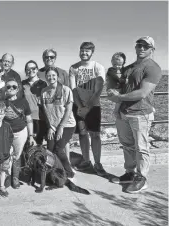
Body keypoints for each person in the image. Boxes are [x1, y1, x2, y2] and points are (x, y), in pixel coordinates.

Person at [108, 36, 162, 193]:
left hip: (141, 113)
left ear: (152, 49)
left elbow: (142, 93)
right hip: (124, 112)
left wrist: (118, 97)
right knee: (127, 145)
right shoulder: (129, 67)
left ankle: (142, 178)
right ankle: (130, 173)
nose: (142, 48)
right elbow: (123, 87)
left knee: (141, 147)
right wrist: (115, 100)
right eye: (139, 45)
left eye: (146, 46)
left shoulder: (153, 68)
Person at [69, 41, 107, 176]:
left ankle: (98, 163)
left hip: (94, 107)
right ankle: (86, 160)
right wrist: (80, 106)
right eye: (82, 50)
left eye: (87, 51)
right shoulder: (73, 68)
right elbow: (73, 89)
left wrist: (88, 107)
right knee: (83, 134)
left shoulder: (98, 67)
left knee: (95, 135)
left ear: (92, 52)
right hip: (79, 106)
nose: (84, 53)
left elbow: (98, 90)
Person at [40, 67, 76, 179]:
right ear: (46, 77)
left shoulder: (66, 90)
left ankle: (69, 172)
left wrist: (61, 127)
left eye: (53, 75)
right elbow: (46, 112)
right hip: (53, 126)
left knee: (59, 149)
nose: (51, 78)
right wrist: (50, 127)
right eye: (49, 76)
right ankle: (54, 172)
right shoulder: (44, 92)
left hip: (67, 125)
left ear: (58, 76)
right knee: (50, 150)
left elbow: (69, 110)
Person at [2, 78, 36, 189]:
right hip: (6, 133)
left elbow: (29, 119)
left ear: (18, 89)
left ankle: (15, 178)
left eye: (14, 87)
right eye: (8, 87)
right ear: (5, 89)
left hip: (21, 132)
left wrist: (31, 136)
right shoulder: (1, 102)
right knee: (6, 155)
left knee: (17, 155)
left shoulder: (23, 101)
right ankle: (7, 176)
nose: (11, 88)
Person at [21, 60, 48, 146]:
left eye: (33, 68)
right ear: (25, 71)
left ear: (37, 70)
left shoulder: (43, 84)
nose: (31, 70)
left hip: (39, 118)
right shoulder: (22, 84)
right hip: (25, 118)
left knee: (37, 144)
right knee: (26, 144)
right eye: (28, 69)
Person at [106, 52, 127, 119]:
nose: (117, 67)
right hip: (112, 90)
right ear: (111, 62)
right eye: (115, 64)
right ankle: (115, 111)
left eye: (119, 65)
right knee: (120, 99)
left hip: (119, 89)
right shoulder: (111, 70)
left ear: (123, 63)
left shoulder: (124, 70)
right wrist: (126, 80)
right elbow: (117, 79)